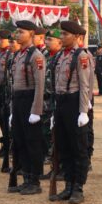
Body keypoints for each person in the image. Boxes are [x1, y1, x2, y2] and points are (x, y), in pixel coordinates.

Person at [48, 21, 93, 204]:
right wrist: (53, 112)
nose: (62, 37)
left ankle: (78, 188)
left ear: (76, 37)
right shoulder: (59, 56)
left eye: (66, 34)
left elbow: (85, 85)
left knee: (78, 148)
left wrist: (84, 111)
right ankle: (68, 184)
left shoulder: (81, 56)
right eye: (61, 34)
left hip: (75, 103)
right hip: (61, 103)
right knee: (63, 146)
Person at [8, 20, 45, 195]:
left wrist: (36, 110)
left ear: (31, 34)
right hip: (18, 100)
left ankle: (35, 181)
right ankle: (26, 177)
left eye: (21, 32)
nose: (17, 35)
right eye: (17, 32)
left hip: (30, 100)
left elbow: (40, 85)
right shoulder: (19, 55)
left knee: (32, 142)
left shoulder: (35, 55)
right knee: (20, 141)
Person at [40, 28, 64, 181]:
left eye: (50, 40)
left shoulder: (63, 57)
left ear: (59, 42)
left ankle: (60, 168)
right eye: (46, 39)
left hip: (57, 101)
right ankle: (53, 166)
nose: (46, 42)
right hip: (45, 101)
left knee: (59, 136)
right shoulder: (44, 55)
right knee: (47, 135)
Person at [0, 30, 12, 172]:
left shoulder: (9, 55)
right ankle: (5, 145)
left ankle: (8, 145)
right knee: (0, 119)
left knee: (7, 121)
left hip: (7, 90)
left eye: (2, 39)